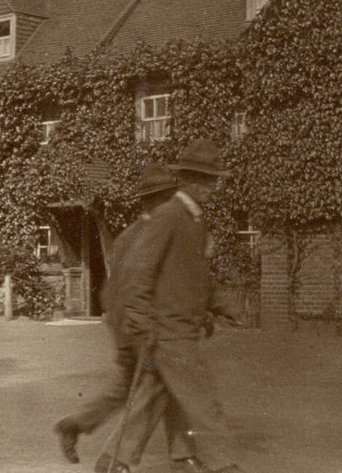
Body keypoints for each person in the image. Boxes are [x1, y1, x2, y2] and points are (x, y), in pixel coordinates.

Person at [99, 138, 246, 473]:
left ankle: (118, 462)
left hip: (180, 329)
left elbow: (197, 278)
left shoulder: (194, 220)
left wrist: (224, 306)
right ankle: (223, 465)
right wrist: (139, 323)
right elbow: (138, 274)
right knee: (203, 402)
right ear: (187, 179)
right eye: (201, 179)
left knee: (155, 398)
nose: (208, 186)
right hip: (167, 332)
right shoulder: (168, 216)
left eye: (212, 180)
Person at [55, 163, 203, 469]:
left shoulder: (134, 234)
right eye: (166, 196)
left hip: (126, 324)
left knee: (133, 387)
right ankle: (116, 460)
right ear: (155, 200)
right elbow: (135, 288)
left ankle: (77, 424)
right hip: (140, 326)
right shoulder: (150, 235)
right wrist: (139, 331)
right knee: (159, 385)